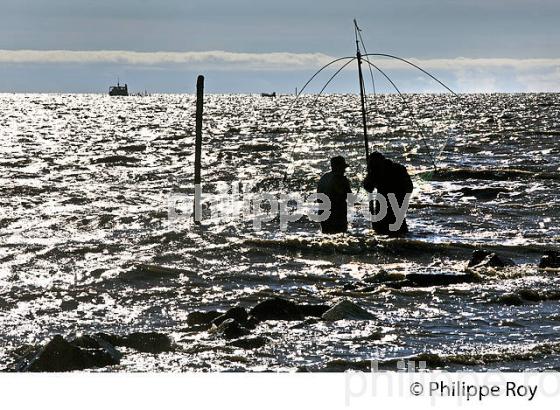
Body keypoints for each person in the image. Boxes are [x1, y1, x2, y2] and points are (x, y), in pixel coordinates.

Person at [363, 152, 413, 236]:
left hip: (386, 202)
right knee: (399, 227)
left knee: (383, 229)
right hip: (398, 200)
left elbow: (368, 187)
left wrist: (369, 174)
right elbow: (409, 187)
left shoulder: (377, 171)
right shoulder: (398, 168)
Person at [317, 156, 352, 234]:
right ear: (338, 167)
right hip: (337, 215)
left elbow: (318, 198)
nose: (344, 170)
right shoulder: (341, 179)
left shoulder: (324, 177)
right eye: (343, 168)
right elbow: (350, 198)